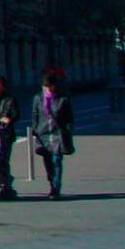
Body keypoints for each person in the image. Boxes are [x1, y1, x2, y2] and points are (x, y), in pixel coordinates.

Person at [33, 71, 75, 200]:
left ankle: (56, 188)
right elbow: (35, 114)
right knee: (47, 161)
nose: (46, 89)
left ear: (53, 86)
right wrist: (34, 130)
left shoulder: (63, 98)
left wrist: (68, 129)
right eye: (44, 87)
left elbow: (69, 116)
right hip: (44, 133)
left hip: (58, 133)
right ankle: (51, 181)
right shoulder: (38, 98)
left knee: (57, 160)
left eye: (48, 87)